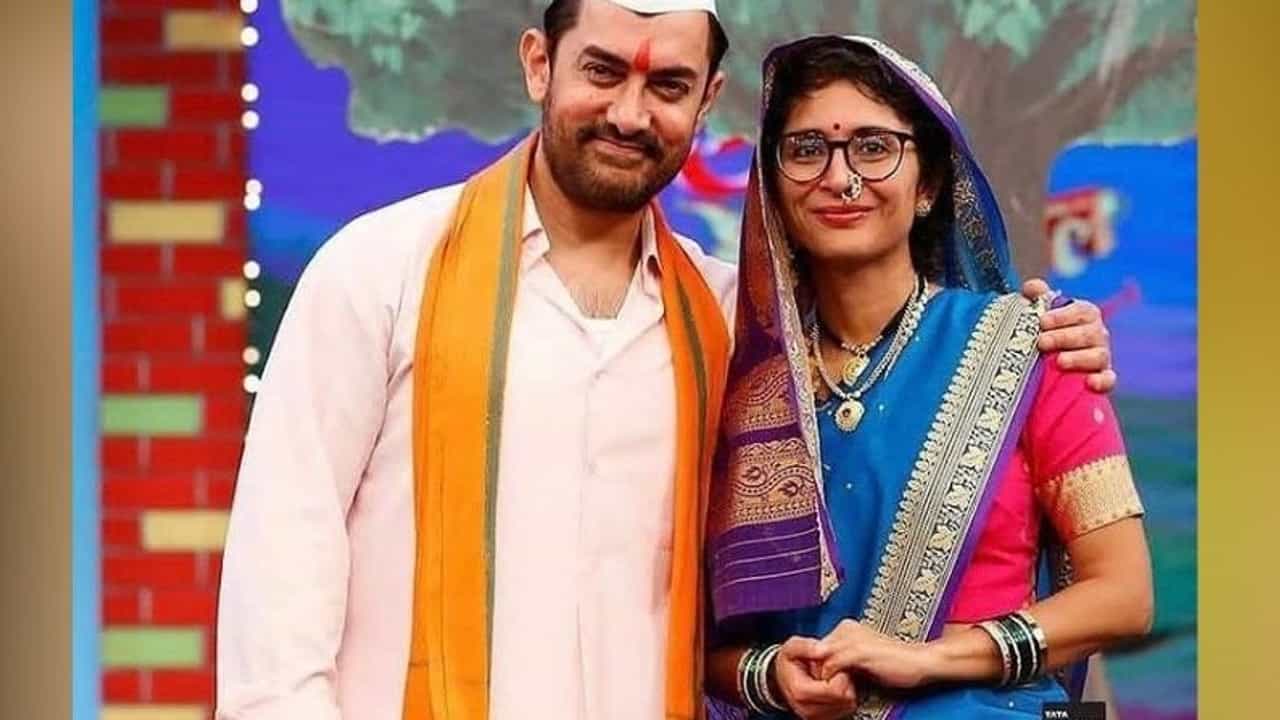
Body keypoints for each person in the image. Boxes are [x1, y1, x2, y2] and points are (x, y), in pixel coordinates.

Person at [215, 4, 1117, 719]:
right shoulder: (381, 270)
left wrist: (1051, 335)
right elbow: (285, 547)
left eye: (668, 84)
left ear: (707, 99)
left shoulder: (737, 323)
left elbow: (900, 356)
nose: (629, 113)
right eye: (602, 71)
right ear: (539, 64)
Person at [705, 35, 1152, 720]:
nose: (840, 178)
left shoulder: (1032, 347)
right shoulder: (738, 381)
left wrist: (929, 659)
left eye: (874, 147)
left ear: (929, 185)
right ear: (773, 187)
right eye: (806, 149)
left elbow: (1125, 596)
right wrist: (770, 674)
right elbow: (692, 629)